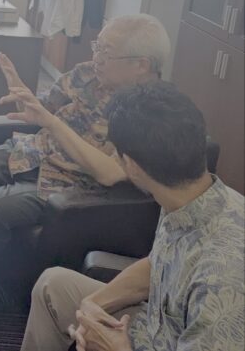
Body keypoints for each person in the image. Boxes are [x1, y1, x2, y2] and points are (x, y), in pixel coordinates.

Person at [13, 81, 244, 351]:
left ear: (131, 166)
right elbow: (157, 265)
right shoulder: (187, 197)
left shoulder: (223, 275)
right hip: (154, 325)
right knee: (52, 285)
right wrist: (95, 302)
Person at [0, 14, 171, 279]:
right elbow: (42, 111)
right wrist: (22, 93)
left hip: (75, 183)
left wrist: (52, 123)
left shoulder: (153, 112)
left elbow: (110, 173)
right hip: (36, 152)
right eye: (97, 47)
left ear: (141, 65)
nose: (96, 58)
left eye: (107, 53)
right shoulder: (86, 74)